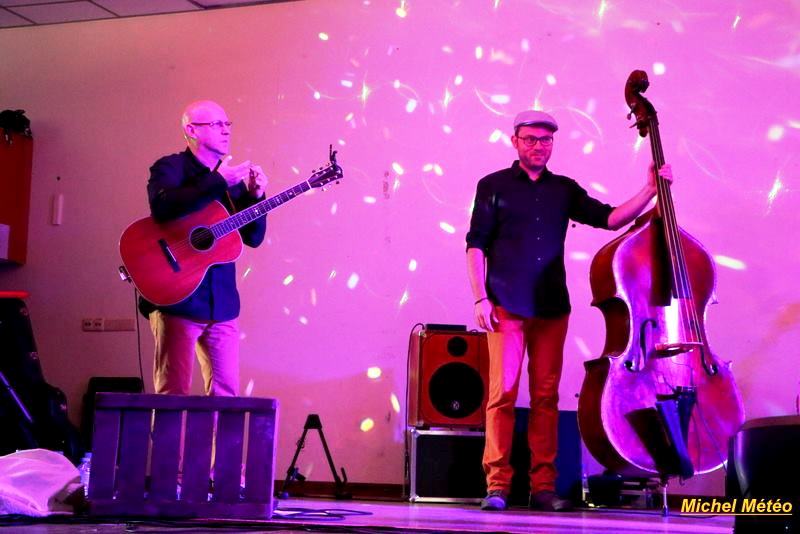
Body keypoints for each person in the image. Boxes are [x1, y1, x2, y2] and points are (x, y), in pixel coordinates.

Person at [466, 110, 672, 512]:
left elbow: (609, 218)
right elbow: (476, 244)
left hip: (551, 307)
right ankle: (497, 486)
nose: (538, 146)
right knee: (502, 396)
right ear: (515, 141)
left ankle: (543, 487)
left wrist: (650, 190)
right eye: (530, 139)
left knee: (545, 398)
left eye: (545, 140)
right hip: (505, 304)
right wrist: (480, 298)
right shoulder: (492, 186)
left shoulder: (564, 189)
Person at [143, 100, 268, 397]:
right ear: (191, 130)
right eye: (216, 124)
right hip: (178, 298)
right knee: (172, 395)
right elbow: (163, 207)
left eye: (227, 124)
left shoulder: (233, 181)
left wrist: (256, 196)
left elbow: (252, 237)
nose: (226, 130)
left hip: (222, 302)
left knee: (226, 396)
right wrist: (216, 181)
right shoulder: (170, 168)